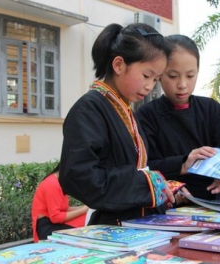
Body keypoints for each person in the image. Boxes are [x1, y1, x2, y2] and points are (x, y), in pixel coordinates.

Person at [58, 23, 175, 226]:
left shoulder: (126, 110)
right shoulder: (89, 108)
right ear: (119, 65)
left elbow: (138, 169)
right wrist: (146, 185)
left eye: (156, 79)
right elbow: (78, 176)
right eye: (147, 75)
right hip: (114, 226)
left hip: (140, 222)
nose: (150, 86)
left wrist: (163, 186)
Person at [136, 34, 220, 205]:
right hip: (171, 207)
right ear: (160, 74)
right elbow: (146, 167)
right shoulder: (147, 116)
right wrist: (181, 166)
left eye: (190, 76)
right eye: (173, 76)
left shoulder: (211, 109)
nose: (182, 84)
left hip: (215, 202)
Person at [31, 164, 89, 242]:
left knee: (88, 216)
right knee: (87, 220)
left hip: (54, 224)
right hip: (47, 229)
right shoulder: (52, 184)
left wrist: (86, 208)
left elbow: (64, 209)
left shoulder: (58, 182)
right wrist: (83, 210)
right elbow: (55, 217)